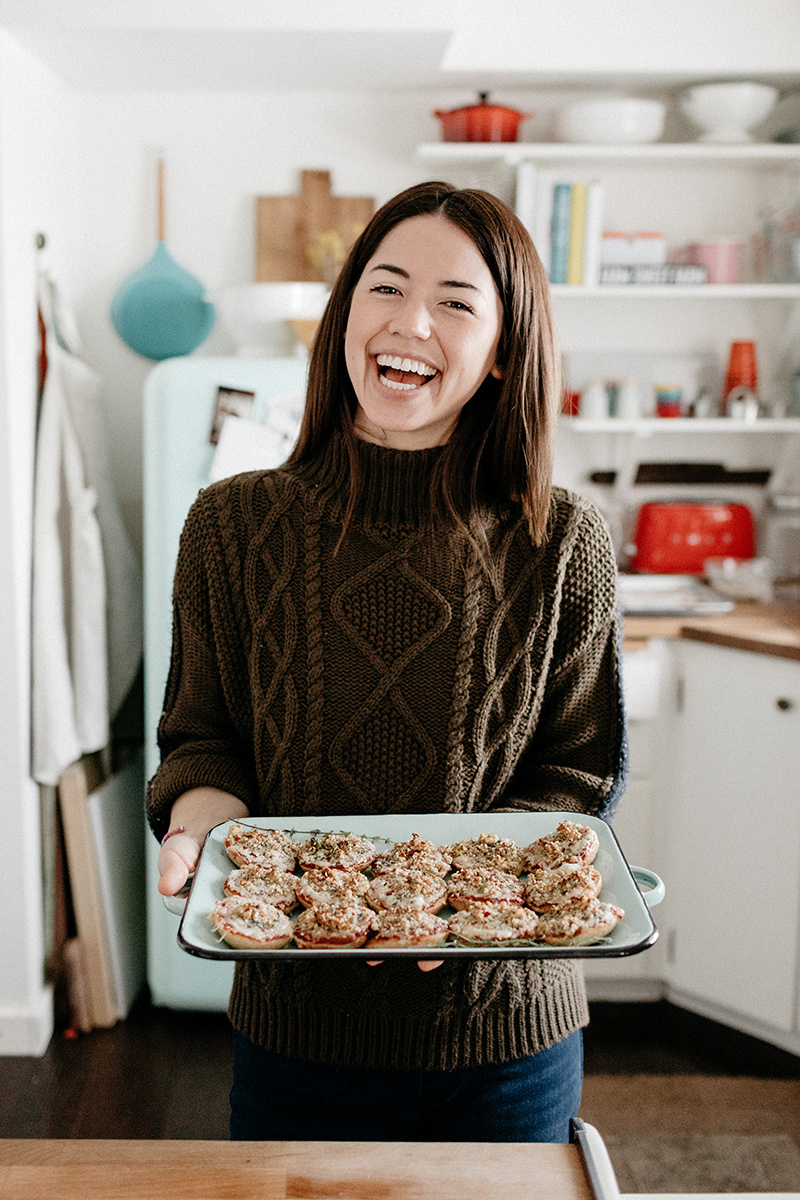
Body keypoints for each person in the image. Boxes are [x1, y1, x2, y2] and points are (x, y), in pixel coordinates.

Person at [148, 180, 628, 1143]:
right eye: (385, 286)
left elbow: (578, 774)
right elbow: (202, 742)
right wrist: (202, 834)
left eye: (456, 302)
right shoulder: (232, 527)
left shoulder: (564, 542)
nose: (410, 322)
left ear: (502, 354)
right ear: (344, 316)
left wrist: (454, 898)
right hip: (299, 1036)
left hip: (504, 1038)